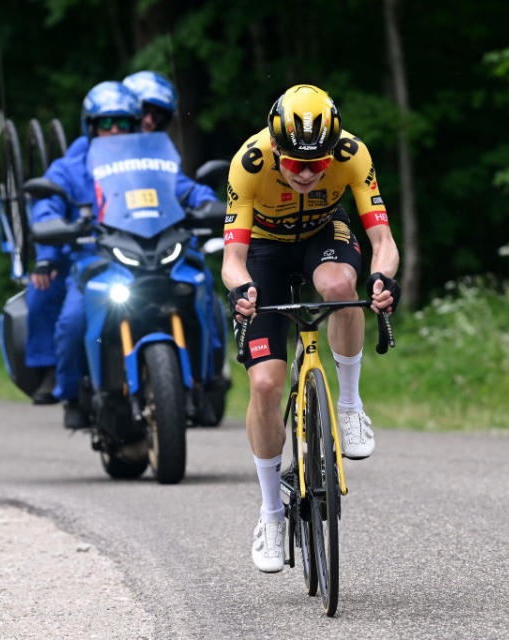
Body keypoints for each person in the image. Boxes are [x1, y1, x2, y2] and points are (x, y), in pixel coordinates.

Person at [221, 84, 400, 573]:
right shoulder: (250, 162)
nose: (305, 173)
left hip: (324, 233)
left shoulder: (352, 155)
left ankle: (349, 404)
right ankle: (271, 514)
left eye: (317, 165)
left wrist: (383, 277)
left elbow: (382, 239)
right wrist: (242, 291)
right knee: (265, 384)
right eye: (295, 163)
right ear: (275, 148)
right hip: (264, 249)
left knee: (342, 284)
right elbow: (232, 260)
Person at [26, 72, 219, 411]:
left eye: (123, 122)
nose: (114, 130)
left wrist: (208, 205)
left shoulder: (152, 162)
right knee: (73, 320)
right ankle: (71, 394)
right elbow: (47, 204)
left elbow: (185, 188)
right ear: (91, 126)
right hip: (96, 258)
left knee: (200, 284)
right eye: (106, 123)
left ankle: (209, 379)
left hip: (154, 251)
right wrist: (50, 237)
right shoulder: (73, 166)